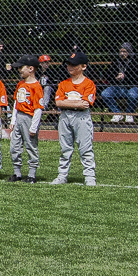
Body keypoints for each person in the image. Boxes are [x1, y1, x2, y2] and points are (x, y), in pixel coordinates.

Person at [53, 52, 97, 186]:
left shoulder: (89, 84)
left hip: (81, 118)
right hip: (65, 116)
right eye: (69, 64)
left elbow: (85, 104)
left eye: (74, 65)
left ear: (83, 67)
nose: (70, 67)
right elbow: (58, 103)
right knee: (65, 148)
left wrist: (68, 102)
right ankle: (62, 175)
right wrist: (76, 103)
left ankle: (89, 176)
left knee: (85, 147)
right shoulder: (63, 84)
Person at [8, 54, 46, 183]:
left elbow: (38, 108)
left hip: (29, 118)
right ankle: (17, 173)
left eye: (21, 68)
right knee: (14, 146)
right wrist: (13, 121)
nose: (19, 70)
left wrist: (34, 126)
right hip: (19, 117)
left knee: (31, 146)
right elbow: (16, 103)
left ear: (31, 69)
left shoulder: (36, 86)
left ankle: (31, 174)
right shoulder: (20, 84)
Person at [103, 42, 138, 123]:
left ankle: (129, 114)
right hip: (118, 87)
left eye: (124, 51)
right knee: (105, 93)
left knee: (132, 95)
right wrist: (115, 77)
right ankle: (117, 113)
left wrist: (125, 76)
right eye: (121, 51)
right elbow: (108, 74)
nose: (122, 54)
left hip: (132, 86)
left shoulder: (137, 62)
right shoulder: (116, 61)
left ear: (129, 52)